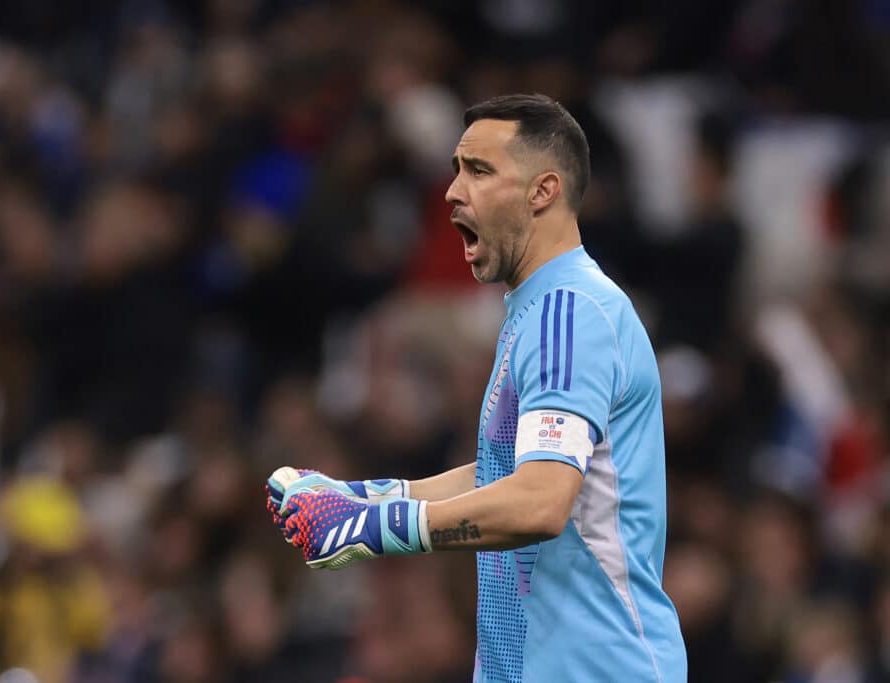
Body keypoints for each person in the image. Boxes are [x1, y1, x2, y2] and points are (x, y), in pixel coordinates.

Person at [267, 93, 687, 682]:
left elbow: (540, 501)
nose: (452, 191)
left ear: (543, 191)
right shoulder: (536, 312)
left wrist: (380, 530)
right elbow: (503, 473)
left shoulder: (569, 314)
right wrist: (365, 499)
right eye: (458, 169)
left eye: (480, 171)